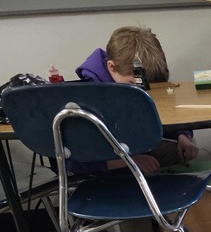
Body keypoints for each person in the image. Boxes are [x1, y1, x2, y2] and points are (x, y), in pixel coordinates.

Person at [75, 26, 198, 174]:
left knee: (180, 154)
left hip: (135, 150)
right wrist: (128, 162)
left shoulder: (132, 81)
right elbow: (74, 162)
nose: (142, 92)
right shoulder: (89, 98)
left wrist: (183, 135)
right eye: (133, 84)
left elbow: (164, 115)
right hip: (106, 165)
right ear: (111, 67)